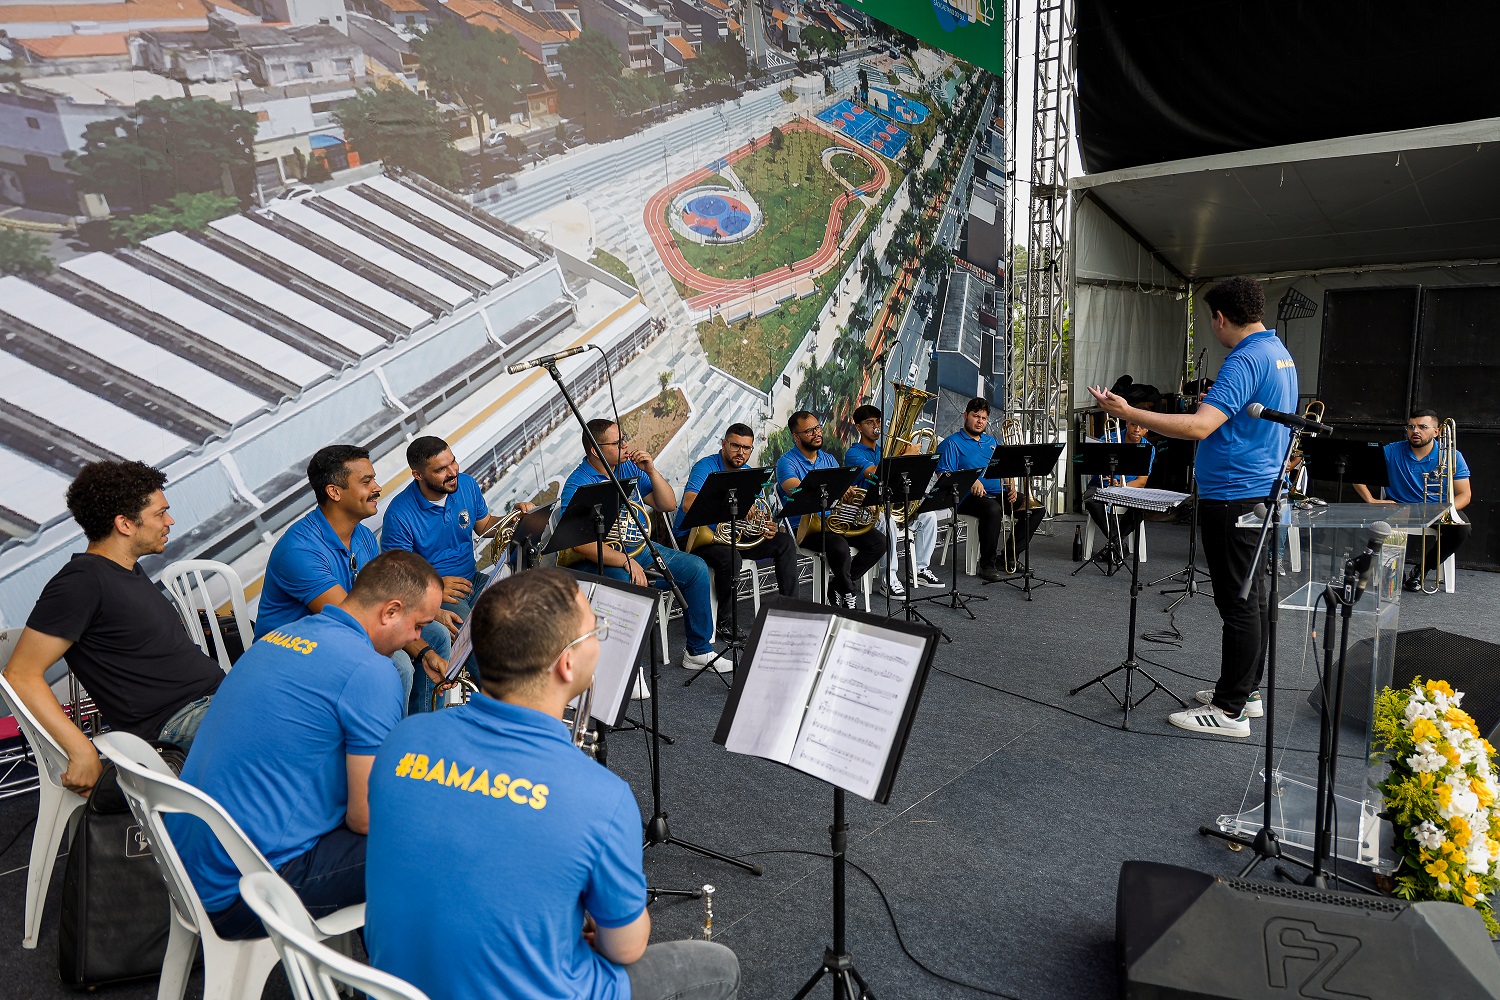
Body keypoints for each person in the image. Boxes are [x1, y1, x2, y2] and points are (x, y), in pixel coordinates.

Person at [365, 567, 740, 1000]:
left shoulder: (403, 739)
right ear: (567, 662)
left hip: (397, 987)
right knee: (717, 966)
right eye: (594, 630)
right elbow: (625, 946)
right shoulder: (603, 799)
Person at [168, 551, 441, 938]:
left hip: (187, 868)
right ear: (391, 611)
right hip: (243, 892)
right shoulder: (371, 671)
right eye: (419, 625)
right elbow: (363, 818)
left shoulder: (280, 636)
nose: (418, 638)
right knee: (439, 836)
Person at [1090, 275, 1297, 738]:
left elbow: (1200, 426)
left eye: (1211, 319)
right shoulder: (1279, 354)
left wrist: (1130, 414)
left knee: (1238, 601)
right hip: (1260, 489)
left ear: (1220, 318)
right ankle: (1245, 690)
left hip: (1233, 493)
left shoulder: (1245, 359)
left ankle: (1229, 711)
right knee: (1255, 596)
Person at [4, 461, 224, 795]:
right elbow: (19, 674)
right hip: (176, 726)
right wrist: (81, 750)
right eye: (160, 513)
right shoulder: (81, 582)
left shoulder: (126, 570)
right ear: (124, 524)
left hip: (212, 701)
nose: (170, 521)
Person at [257, 444, 446, 708]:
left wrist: (427, 637)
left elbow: (383, 604)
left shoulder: (364, 537)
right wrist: (422, 651)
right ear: (334, 492)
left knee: (436, 634)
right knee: (398, 663)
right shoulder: (299, 551)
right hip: (293, 654)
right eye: (367, 481)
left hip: (337, 635)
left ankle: (421, 727)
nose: (377, 487)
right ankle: (387, 745)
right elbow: (353, 623)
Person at [558, 419, 720, 672]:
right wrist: (625, 560)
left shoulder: (628, 469)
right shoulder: (578, 484)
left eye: (625, 439)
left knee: (696, 568)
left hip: (639, 550)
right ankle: (624, 670)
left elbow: (666, 504)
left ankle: (698, 651)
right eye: (617, 442)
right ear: (595, 450)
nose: (626, 446)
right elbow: (582, 545)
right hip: (598, 559)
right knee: (628, 584)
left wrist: (651, 471)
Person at [380, 435, 527, 709]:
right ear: (418, 475)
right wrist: (434, 589)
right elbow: (397, 578)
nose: (452, 472)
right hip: (439, 596)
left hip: (475, 580)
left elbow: (484, 526)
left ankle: (526, 691)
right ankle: (502, 707)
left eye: (453, 462)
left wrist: (514, 519)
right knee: (475, 637)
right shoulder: (399, 515)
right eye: (441, 469)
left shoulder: (467, 485)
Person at [675, 423, 800, 638]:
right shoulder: (706, 467)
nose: (740, 452)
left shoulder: (750, 474)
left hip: (732, 536)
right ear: (724, 444)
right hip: (697, 537)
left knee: (784, 542)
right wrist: (736, 506)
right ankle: (725, 622)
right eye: (735, 446)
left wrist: (765, 527)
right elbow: (688, 503)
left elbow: (759, 511)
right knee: (730, 558)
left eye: (746, 448)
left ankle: (790, 612)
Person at [775, 410, 887, 608]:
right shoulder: (786, 462)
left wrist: (850, 492)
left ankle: (837, 585)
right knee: (839, 545)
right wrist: (836, 490)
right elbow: (797, 490)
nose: (817, 433)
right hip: (805, 528)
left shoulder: (829, 460)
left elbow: (842, 493)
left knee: (878, 542)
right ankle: (849, 593)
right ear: (796, 437)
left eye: (817, 428)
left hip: (833, 521)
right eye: (809, 431)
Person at [1353, 409, 1473, 590]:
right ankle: (1394, 571)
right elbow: (1356, 470)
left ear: (1436, 431)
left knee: (1462, 529)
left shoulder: (1452, 455)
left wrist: (1446, 510)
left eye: (1423, 427)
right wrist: (1370, 499)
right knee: (1381, 525)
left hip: (1436, 510)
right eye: (1411, 427)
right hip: (1399, 507)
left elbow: (1465, 494)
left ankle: (1422, 569)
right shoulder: (1391, 450)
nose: (1415, 431)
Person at [934, 397, 1045, 583]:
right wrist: (971, 481)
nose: (979, 421)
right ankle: (987, 564)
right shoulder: (951, 443)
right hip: (966, 498)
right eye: (976, 416)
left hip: (997, 493)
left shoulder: (991, 441)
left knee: (1036, 508)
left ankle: (1009, 556)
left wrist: (1011, 484)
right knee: (993, 510)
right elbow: (944, 477)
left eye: (984, 418)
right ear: (965, 416)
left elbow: (1005, 466)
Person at [844, 404, 942, 594]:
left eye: (878, 422)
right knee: (886, 520)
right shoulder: (853, 453)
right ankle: (889, 579)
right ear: (858, 427)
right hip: (864, 511)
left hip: (889, 504)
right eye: (869, 422)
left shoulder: (885, 450)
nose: (876, 427)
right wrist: (905, 456)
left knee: (928, 516)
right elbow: (875, 474)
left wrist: (911, 461)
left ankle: (920, 569)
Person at [1085, 416, 1155, 561]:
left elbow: (1141, 482)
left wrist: (1122, 486)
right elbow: (1095, 467)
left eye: (1142, 426)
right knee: (1090, 499)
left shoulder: (1148, 448)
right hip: (1103, 484)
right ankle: (1118, 545)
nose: (1137, 429)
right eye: (1134, 424)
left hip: (1129, 488)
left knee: (1143, 506)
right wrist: (1107, 477)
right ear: (1127, 423)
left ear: (1147, 428)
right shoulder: (1109, 438)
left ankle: (1114, 544)